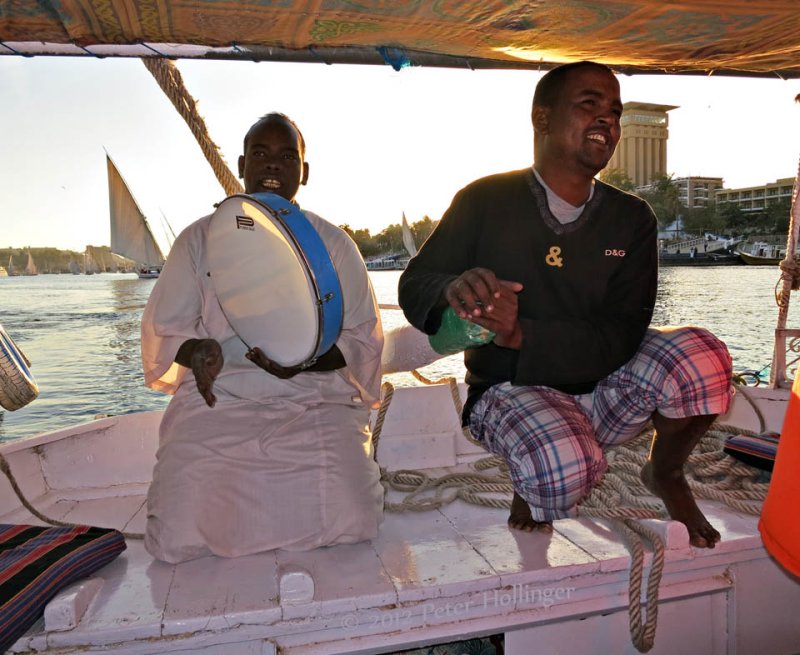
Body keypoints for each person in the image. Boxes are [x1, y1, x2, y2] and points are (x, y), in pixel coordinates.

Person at [398, 62, 732, 549]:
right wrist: (452, 288)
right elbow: (415, 284)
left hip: (606, 384)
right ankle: (532, 469)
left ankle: (666, 474)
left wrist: (521, 333)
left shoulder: (631, 217)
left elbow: (623, 333)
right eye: (589, 105)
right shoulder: (485, 199)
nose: (607, 122)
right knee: (561, 471)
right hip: (509, 386)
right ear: (543, 119)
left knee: (705, 359)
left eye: (614, 112)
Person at [141, 113, 384, 563]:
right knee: (175, 534)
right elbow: (167, 328)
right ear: (241, 163)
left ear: (304, 172)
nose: (273, 164)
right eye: (261, 153)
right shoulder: (199, 239)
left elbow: (361, 339)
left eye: (288, 155)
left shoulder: (334, 244)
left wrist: (306, 362)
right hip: (219, 400)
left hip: (314, 400)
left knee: (354, 519)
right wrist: (200, 352)